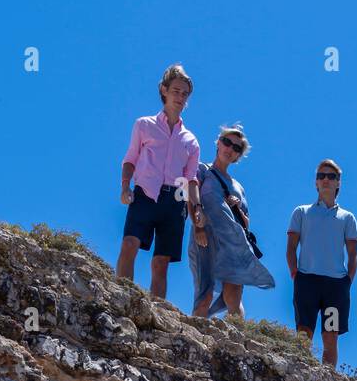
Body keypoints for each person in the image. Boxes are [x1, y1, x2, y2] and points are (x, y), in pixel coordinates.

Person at [116, 64, 207, 300]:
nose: (180, 97)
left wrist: (197, 210)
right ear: (164, 90)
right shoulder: (144, 125)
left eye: (185, 93)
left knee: (161, 262)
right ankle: (120, 300)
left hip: (174, 202)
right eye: (176, 91)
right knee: (129, 244)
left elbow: (191, 180)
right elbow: (130, 158)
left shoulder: (191, 140)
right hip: (145, 193)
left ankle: (155, 313)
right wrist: (125, 186)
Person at [189, 125, 275, 319]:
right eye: (227, 142)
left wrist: (232, 206)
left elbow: (246, 222)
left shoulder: (238, 187)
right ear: (218, 143)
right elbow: (192, 198)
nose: (230, 149)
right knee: (204, 293)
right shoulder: (202, 170)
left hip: (233, 244)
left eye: (236, 148)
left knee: (233, 295)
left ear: (237, 157)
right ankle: (195, 338)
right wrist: (198, 227)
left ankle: (239, 342)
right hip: (207, 237)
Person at [287, 160, 357, 367]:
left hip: (335, 287)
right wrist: (295, 274)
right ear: (315, 183)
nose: (325, 180)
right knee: (303, 333)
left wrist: (347, 282)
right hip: (307, 281)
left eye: (331, 176)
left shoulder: (347, 218)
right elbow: (291, 247)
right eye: (321, 176)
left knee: (330, 336)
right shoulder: (301, 212)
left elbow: (353, 253)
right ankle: (299, 376)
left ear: (338, 183)